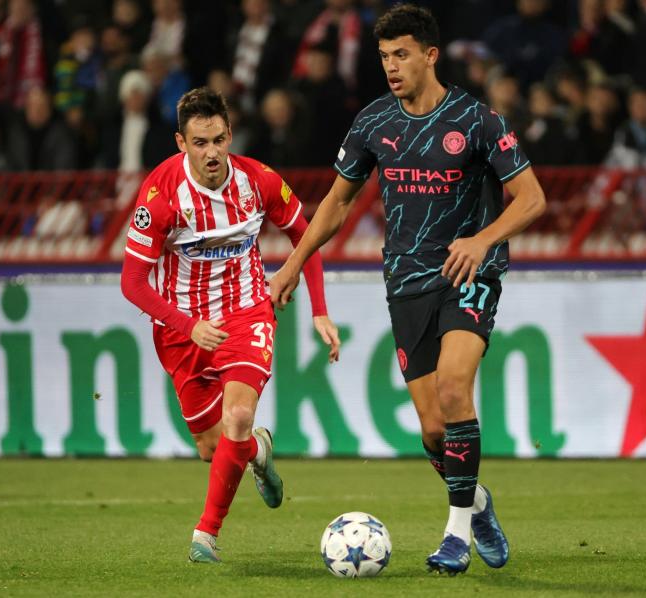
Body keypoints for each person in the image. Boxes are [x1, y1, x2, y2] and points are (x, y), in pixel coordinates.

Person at [270, 4, 546, 576]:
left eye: (401, 55)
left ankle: (455, 537)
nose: (391, 67)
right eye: (384, 57)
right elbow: (338, 202)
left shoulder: (476, 121)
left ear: (430, 55)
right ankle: (480, 505)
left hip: (469, 275)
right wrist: (295, 261)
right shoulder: (374, 123)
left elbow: (533, 198)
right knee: (431, 430)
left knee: (453, 386)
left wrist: (482, 240)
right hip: (406, 282)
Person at [120, 87, 339, 563]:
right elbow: (132, 283)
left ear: (230, 134)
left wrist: (319, 308)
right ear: (181, 143)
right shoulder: (160, 197)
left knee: (238, 415)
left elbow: (308, 236)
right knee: (211, 447)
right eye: (200, 143)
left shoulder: (258, 180)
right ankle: (258, 452)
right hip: (184, 329)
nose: (212, 152)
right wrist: (186, 324)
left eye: (219, 139)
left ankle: (206, 534)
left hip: (246, 312)